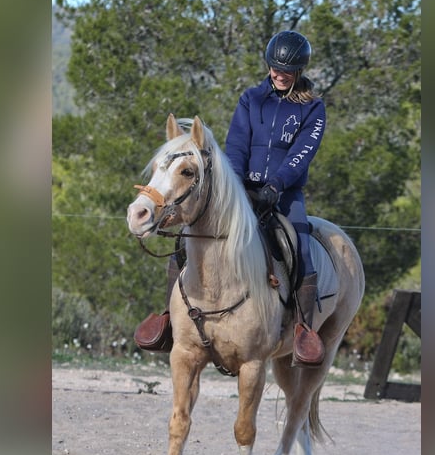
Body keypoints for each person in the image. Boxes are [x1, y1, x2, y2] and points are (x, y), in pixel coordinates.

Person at [134, 30, 326, 368]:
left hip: (285, 193)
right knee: (185, 240)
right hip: (242, 189)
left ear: (299, 71)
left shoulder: (313, 108)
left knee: (301, 248)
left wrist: (276, 186)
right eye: (274, 68)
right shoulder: (251, 98)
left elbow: (301, 155)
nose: (278, 75)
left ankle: (302, 329)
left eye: (286, 70)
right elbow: (236, 144)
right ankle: (169, 319)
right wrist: (237, 187)